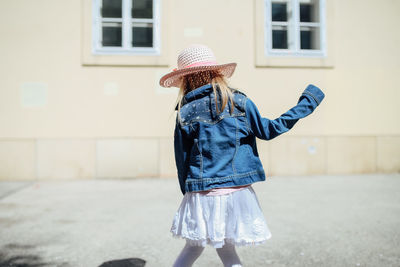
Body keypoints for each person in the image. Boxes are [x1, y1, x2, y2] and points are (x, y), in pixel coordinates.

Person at [159, 44, 325, 267]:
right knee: (227, 250)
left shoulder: (186, 111)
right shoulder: (239, 102)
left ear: (185, 79)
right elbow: (269, 130)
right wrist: (306, 105)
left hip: (201, 191)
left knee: (193, 247)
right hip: (235, 193)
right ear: (216, 72)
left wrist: (187, 190)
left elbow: (182, 157)